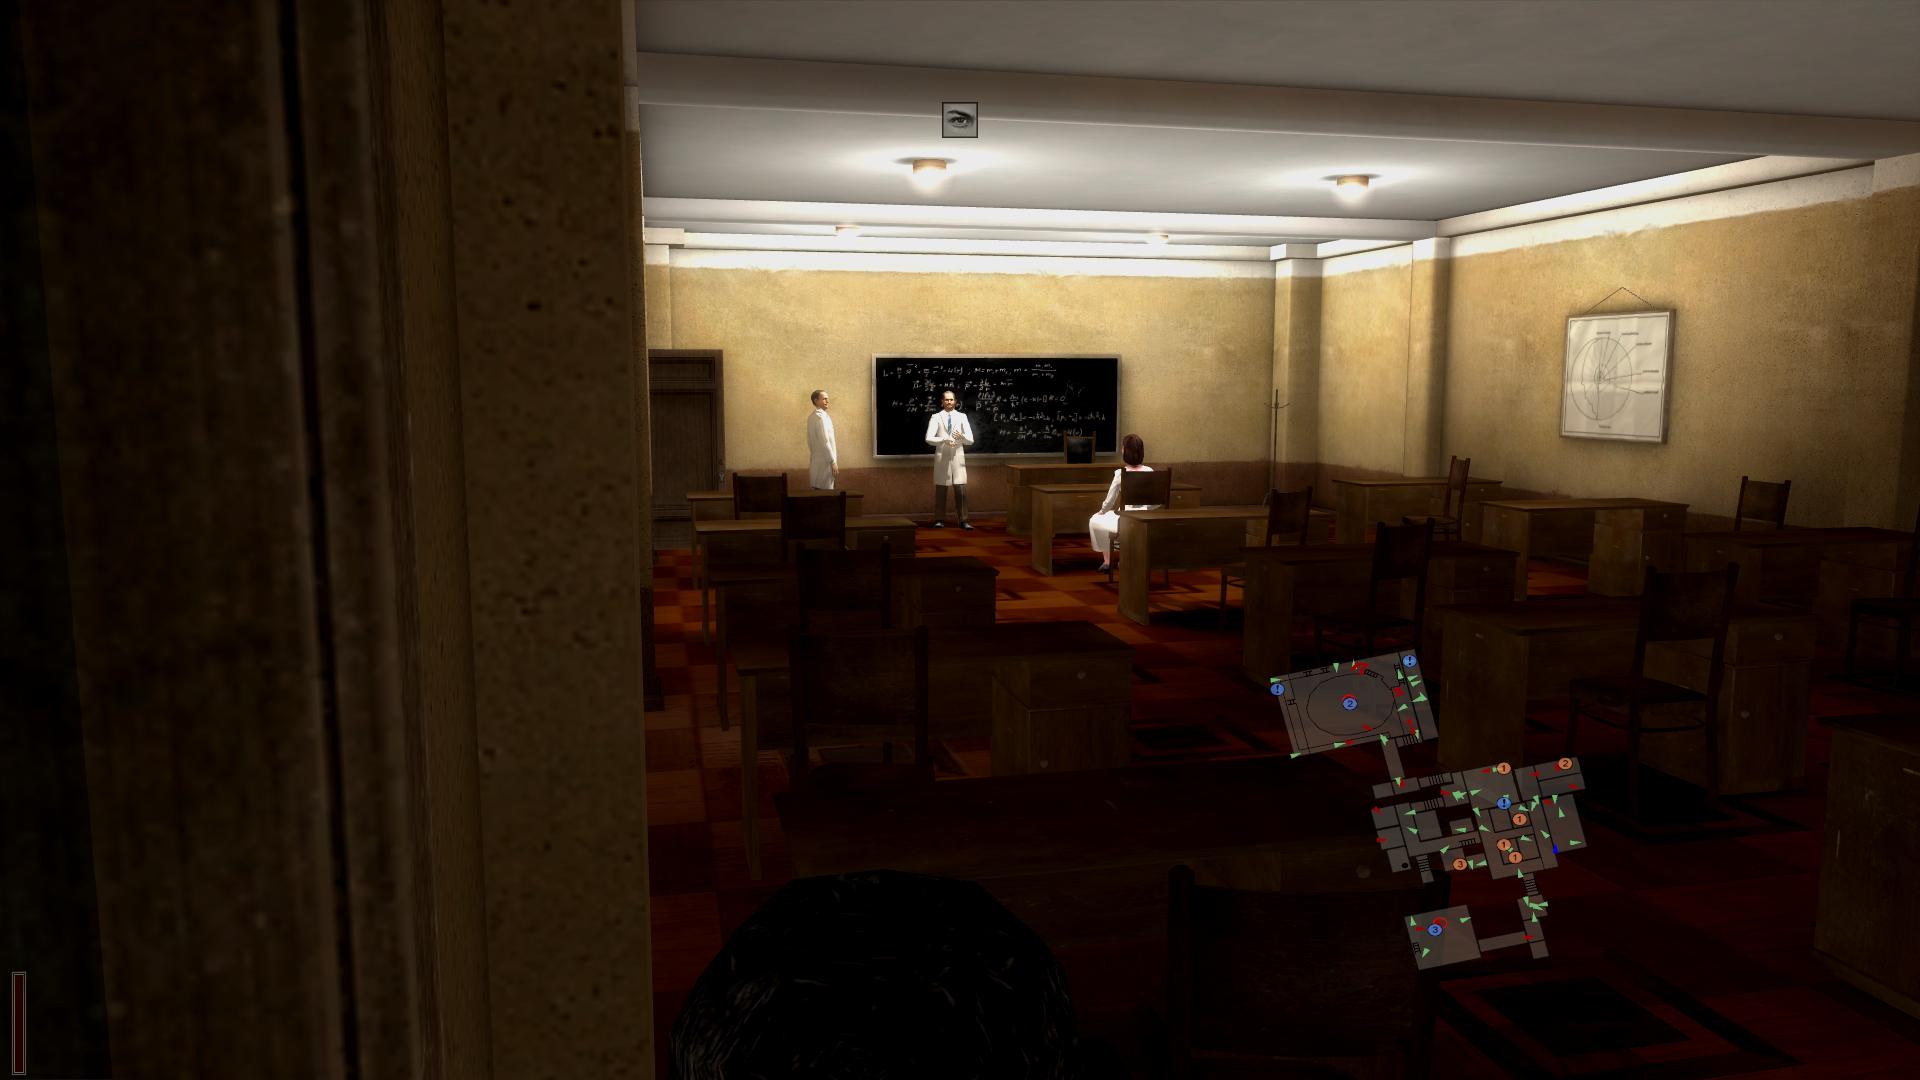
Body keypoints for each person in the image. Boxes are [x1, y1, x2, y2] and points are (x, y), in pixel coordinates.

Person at [1088, 433, 1157, 571]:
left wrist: (1102, 511)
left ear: (1125, 451)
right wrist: (1146, 509)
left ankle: (1108, 561)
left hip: (1125, 518)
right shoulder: (1150, 471)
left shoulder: (1120, 473)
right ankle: (1129, 556)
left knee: (1094, 520)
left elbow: (1110, 501)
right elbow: (1156, 501)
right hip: (1146, 518)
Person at [923, 389, 974, 529]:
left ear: (955, 401)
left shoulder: (962, 417)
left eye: (951, 399)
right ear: (942, 402)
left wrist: (961, 437)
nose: (949, 402)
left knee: (960, 488)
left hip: (957, 456)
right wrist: (944, 439)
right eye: (946, 399)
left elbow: (970, 440)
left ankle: (964, 520)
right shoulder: (936, 417)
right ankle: (939, 519)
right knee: (941, 488)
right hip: (942, 456)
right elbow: (928, 438)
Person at [806, 389, 837, 490]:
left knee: (818, 491)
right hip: (825, 463)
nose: (827, 401)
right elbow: (825, 441)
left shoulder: (812, 417)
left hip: (817, 461)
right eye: (824, 399)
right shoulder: (820, 417)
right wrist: (832, 461)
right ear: (816, 401)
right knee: (825, 493)